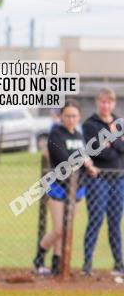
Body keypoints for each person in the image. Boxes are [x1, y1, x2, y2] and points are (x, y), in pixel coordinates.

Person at [33, 101, 98, 276]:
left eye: (74, 116)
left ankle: (56, 266)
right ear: (61, 116)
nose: (71, 119)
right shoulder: (55, 135)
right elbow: (63, 159)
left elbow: (85, 157)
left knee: (67, 228)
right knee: (58, 229)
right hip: (58, 187)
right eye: (67, 115)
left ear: (79, 117)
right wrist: (83, 162)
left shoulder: (78, 135)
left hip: (77, 187)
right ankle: (38, 260)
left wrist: (89, 165)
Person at [81, 88, 124, 277]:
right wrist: (115, 144)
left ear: (113, 104)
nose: (105, 106)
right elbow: (96, 151)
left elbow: (120, 148)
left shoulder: (119, 123)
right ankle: (87, 263)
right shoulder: (90, 124)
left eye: (109, 102)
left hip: (118, 179)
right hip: (98, 179)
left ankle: (118, 264)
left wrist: (111, 142)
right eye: (102, 102)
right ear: (97, 102)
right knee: (96, 219)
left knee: (115, 222)